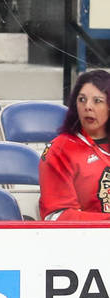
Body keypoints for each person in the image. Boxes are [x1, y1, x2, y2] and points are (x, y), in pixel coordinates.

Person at [39, 69, 110, 221]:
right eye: (82, 100)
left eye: (97, 101)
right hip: (83, 240)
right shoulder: (60, 149)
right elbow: (56, 216)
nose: (88, 107)